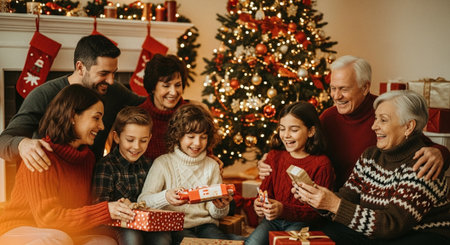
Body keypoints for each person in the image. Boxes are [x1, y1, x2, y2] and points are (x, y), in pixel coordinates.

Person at [259, 55, 449, 189]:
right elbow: (300, 150)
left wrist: (440, 152)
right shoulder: (328, 117)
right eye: (333, 88)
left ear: (365, 87)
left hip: (374, 203)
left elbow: (419, 143)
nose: (336, 96)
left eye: (344, 89)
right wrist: (268, 162)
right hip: (337, 200)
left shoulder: (385, 112)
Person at [292, 90, 450, 245]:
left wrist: (333, 204)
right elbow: (346, 198)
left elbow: (391, 225)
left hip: (419, 235)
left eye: (383, 120)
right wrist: (316, 198)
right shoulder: (371, 155)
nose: (374, 126)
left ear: (408, 127)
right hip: (376, 233)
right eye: (375, 119)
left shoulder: (423, 164)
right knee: (325, 235)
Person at [0, 84, 135, 245]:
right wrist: (106, 210)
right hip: (19, 229)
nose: (102, 126)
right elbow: (48, 219)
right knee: (58, 239)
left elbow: (81, 209)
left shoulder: (87, 158)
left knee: (105, 242)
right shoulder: (41, 154)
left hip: (63, 231)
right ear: (72, 116)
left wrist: (117, 206)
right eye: (96, 118)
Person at [0, 34, 145, 172]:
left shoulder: (113, 90)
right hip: (49, 179)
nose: (111, 80)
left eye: (114, 73)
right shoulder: (44, 95)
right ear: (80, 67)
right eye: (103, 74)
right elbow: (3, 141)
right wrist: (22, 144)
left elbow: (146, 106)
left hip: (93, 181)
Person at [138, 104, 233, 244]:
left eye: (203, 137)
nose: (197, 143)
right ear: (178, 135)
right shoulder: (163, 163)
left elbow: (216, 214)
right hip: (176, 227)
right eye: (191, 136)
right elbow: (143, 201)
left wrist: (221, 206)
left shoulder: (212, 166)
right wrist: (166, 197)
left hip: (206, 225)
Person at [245, 101, 335, 245]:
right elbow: (264, 191)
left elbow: (319, 213)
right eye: (282, 129)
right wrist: (259, 204)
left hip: (302, 224)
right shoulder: (274, 156)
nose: (286, 135)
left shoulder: (321, 164)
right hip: (273, 221)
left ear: (311, 131)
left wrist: (283, 209)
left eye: (294, 130)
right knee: (252, 243)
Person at [93, 106, 168, 245]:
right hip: (115, 223)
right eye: (130, 140)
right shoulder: (106, 166)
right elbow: (100, 206)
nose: (136, 147)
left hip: (143, 222)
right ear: (116, 137)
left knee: (162, 237)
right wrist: (121, 206)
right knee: (132, 237)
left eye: (143, 140)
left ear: (150, 138)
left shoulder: (149, 165)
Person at [139, 54, 189, 161]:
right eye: (166, 85)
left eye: (178, 85)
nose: (173, 92)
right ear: (153, 87)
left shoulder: (192, 115)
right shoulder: (137, 116)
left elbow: (206, 155)